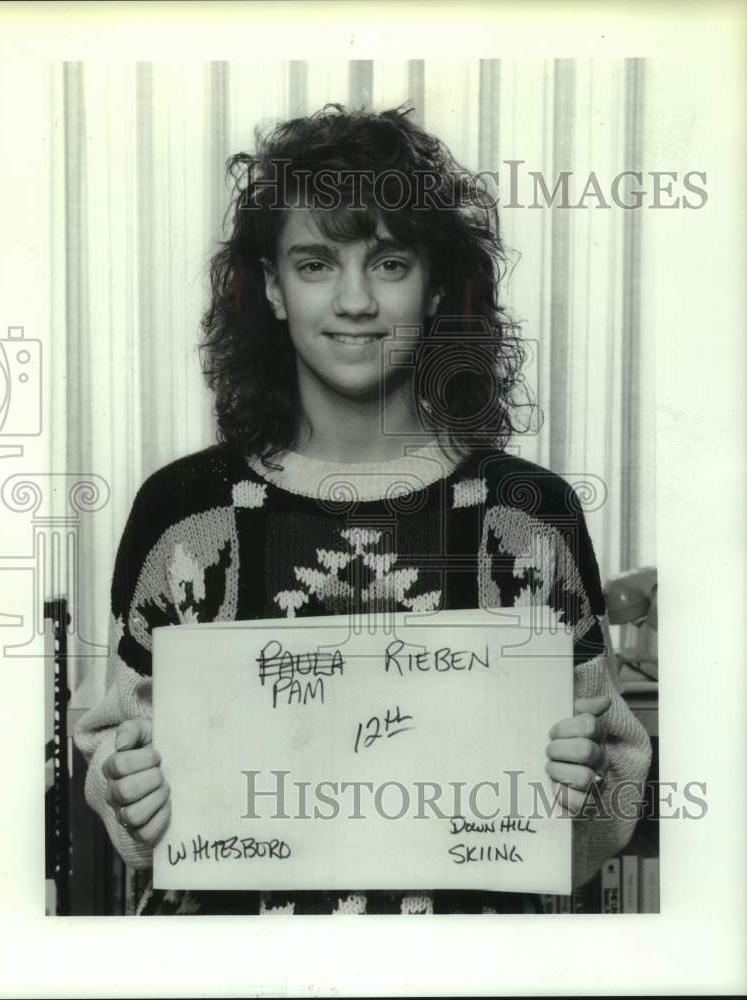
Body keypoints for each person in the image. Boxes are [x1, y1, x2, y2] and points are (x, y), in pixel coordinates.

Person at [74, 104, 652, 915]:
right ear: (272, 288)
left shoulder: (527, 516)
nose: (353, 301)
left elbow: (608, 787)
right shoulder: (185, 512)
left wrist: (584, 786)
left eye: (387, 263)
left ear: (438, 283)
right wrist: (128, 790)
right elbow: (122, 767)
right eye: (315, 264)